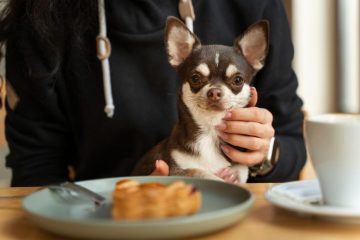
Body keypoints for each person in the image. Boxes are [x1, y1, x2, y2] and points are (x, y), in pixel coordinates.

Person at [0, 0, 306, 186]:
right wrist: (119, 207)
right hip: (103, 221)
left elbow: (292, 143)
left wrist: (262, 154)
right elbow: (36, 170)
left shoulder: (251, 7)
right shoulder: (39, 18)